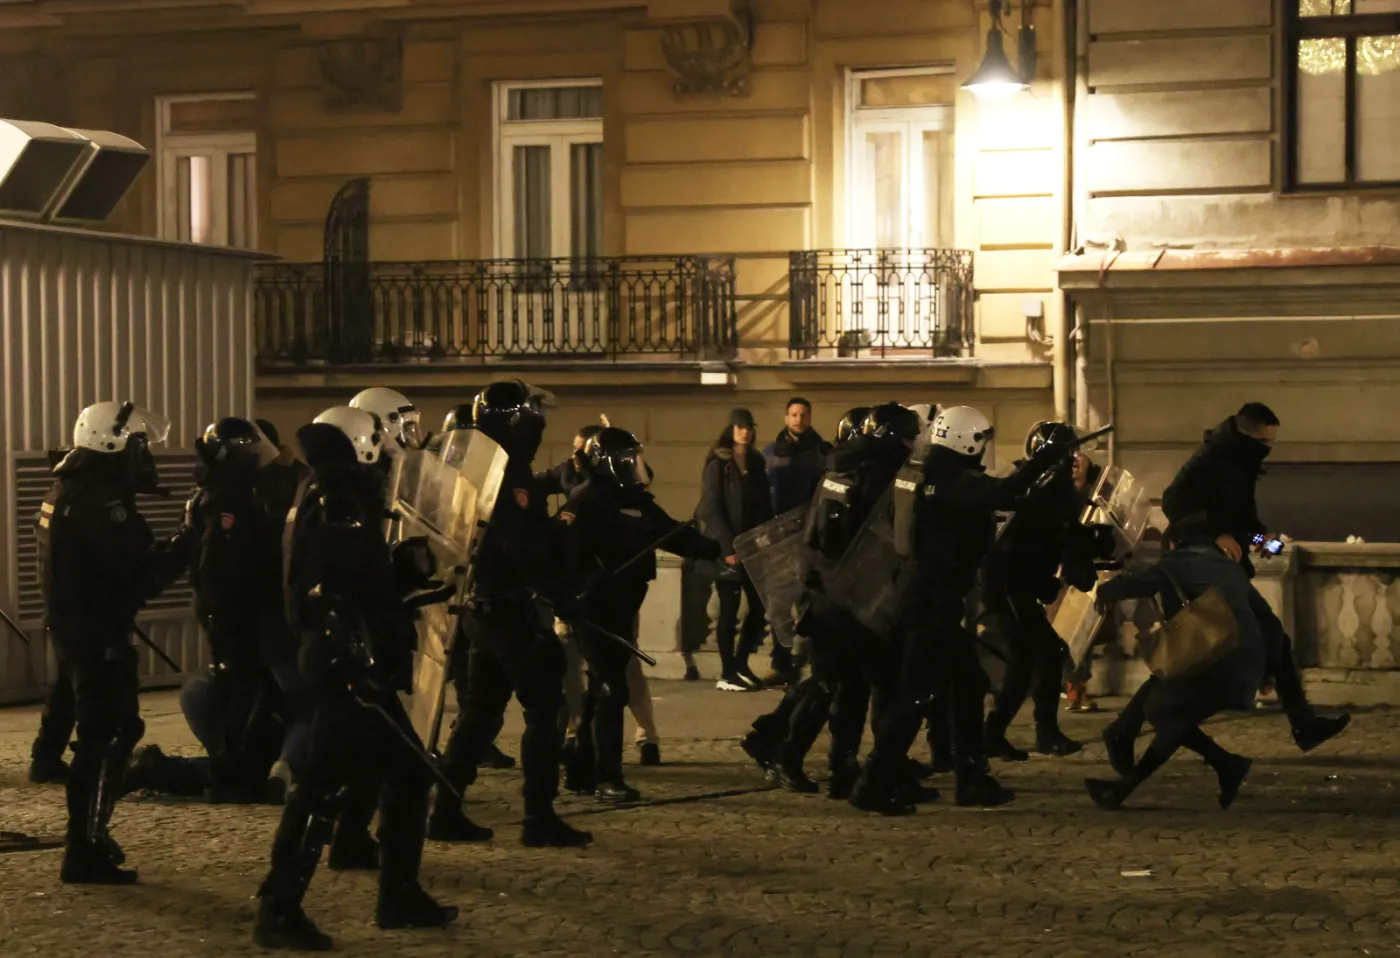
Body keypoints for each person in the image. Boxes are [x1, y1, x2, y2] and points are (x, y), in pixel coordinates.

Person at [254, 406, 455, 950]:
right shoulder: (338, 500)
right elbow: (335, 588)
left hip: (345, 662)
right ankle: (281, 909)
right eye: (380, 446)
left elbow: (359, 578)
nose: (387, 455)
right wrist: (358, 659)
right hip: (347, 667)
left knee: (398, 775)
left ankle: (397, 896)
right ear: (359, 445)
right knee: (325, 786)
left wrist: (405, 572)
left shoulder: (331, 494)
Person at [850, 406, 1073, 815]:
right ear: (965, 440)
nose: (983, 449)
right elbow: (1003, 493)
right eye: (980, 441)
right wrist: (1046, 458)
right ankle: (874, 784)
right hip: (931, 599)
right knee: (916, 695)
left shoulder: (923, 469)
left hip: (925, 594)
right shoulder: (949, 477)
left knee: (968, 682)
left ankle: (970, 777)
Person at [428, 381, 591, 848]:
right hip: (510, 610)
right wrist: (561, 591)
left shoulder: (474, 464)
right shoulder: (509, 470)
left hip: (480, 606)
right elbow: (525, 548)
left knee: (480, 712)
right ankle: (539, 816)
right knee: (544, 708)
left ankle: (446, 809)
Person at [37, 401, 193, 884]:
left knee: (110, 730)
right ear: (112, 442)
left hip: (79, 628)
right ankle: (83, 847)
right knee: (105, 736)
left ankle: (90, 835)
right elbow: (139, 574)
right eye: (139, 445)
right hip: (96, 633)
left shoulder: (70, 487)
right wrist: (187, 543)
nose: (144, 457)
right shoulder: (102, 504)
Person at [743, 403, 917, 798]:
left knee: (848, 684)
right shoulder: (863, 474)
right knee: (829, 682)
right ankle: (786, 755)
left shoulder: (843, 469)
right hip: (840, 594)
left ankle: (840, 764)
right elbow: (855, 537)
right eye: (909, 439)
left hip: (837, 591)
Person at [1156, 401, 1349, 752]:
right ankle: (1134, 726)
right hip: (1203, 569)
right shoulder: (1211, 460)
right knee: (1211, 655)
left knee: (1269, 640)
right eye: (1264, 442)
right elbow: (1173, 502)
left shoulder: (1239, 462)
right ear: (1246, 435)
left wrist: (1264, 540)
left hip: (1224, 568)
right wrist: (1216, 534)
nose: (1268, 449)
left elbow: (1242, 520)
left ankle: (1303, 723)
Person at [125, 418, 288, 804]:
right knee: (246, 708)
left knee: (252, 704)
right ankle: (165, 769)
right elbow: (221, 569)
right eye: (249, 452)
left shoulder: (229, 493)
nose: (257, 459)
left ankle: (231, 766)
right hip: (237, 621)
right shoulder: (225, 501)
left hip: (237, 619)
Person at [557, 426, 720, 802]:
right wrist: (576, 590)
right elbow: (562, 551)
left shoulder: (636, 501)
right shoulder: (586, 500)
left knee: (601, 687)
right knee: (612, 687)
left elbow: (670, 533)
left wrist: (713, 549)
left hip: (622, 605)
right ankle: (607, 777)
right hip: (593, 608)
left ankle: (581, 770)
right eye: (629, 459)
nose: (635, 466)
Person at [1085, 514, 1262, 810]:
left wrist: (1104, 589)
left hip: (1215, 661)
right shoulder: (1230, 567)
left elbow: (1139, 583)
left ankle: (1126, 785)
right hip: (1243, 663)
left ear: (1174, 543)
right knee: (1163, 681)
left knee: (1163, 710)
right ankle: (1123, 733)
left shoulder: (1181, 560)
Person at [978, 422, 1109, 760]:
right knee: (1044, 653)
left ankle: (996, 734)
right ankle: (1040, 734)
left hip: (1013, 585)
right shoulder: (1042, 490)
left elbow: (1060, 535)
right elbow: (1046, 539)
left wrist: (1093, 541)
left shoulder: (1045, 487)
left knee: (1028, 659)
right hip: (1007, 586)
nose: (1076, 460)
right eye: (1070, 453)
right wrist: (1082, 552)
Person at [694, 408, 775, 691]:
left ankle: (741, 665)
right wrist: (728, 546)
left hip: (752, 548)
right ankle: (728, 672)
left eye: (748, 427)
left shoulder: (756, 461)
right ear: (731, 430)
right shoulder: (718, 464)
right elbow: (711, 508)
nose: (745, 432)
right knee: (728, 612)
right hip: (727, 549)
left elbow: (764, 505)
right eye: (740, 427)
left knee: (758, 610)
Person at [763, 397, 829, 515]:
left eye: (803, 415)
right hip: (779, 518)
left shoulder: (822, 451)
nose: (799, 420)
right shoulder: (770, 452)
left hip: (812, 516)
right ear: (787, 419)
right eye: (794, 415)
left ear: (809, 418)